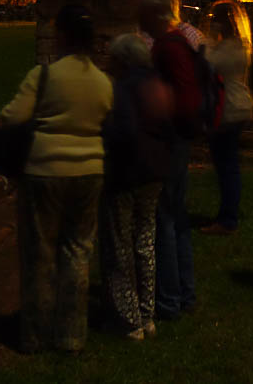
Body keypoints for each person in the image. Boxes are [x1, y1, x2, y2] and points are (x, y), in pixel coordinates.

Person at [1, 4, 112, 354]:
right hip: (89, 171)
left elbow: (14, 116)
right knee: (78, 251)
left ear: (62, 35)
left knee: (40, 252)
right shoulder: (101, 81)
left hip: (44, 171)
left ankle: (36, 335)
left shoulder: (44, 76)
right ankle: (71, 336)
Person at [99, 33, 175, 341]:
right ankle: (148, 314)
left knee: (120, 246)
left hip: (126, 174)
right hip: (154, 172)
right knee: (145, 242)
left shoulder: (122, 89)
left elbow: (122, 132)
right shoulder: (157, 83)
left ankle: (129, 320)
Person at [136, 0, 200, 320]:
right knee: (177, 219)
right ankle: (184, 293)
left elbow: (173, 100)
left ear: (152, 13)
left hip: (170, 140)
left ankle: (169, 300)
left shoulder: (165, 47)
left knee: (165, 221)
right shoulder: (182, 40)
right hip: (180, 139)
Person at [201, 0, 253, 235]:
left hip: (228, 108)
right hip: (239, 104)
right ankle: (229, 214)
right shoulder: (241, 46)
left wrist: (206, 42)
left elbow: (206, 65)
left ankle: (227, 219)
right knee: (228, 164)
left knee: (226, 166)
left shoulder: (225, 50)